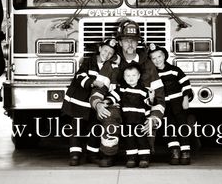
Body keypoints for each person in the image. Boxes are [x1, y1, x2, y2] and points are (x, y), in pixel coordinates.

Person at [91, 20, 165, 166]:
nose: (130, 44)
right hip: (117, 107)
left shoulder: (148, 65)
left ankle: (144, 155)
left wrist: (154, 118)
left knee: (148, 123)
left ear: (138, 43)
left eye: (134, 40)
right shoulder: (111, 64)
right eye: (126, 40)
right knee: (109, 114)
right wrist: (98, 104)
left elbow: (159, 97)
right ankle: (109, 154)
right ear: (120, 42)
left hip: (140, 110)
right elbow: (99, 89)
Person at [61, 37, 117, 165]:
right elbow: (79, 76)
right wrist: (92, 83)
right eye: (105, 50)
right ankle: (75, 155)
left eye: (110, 53)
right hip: (79, 101)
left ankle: (92, 155)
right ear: (99, 49)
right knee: (77, 128)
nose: (106, 54)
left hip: (94, 103)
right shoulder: (88, 61)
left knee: (95, 128)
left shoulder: (110, 67)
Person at [147, 43, 194, 165]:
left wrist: (186, 98)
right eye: (154, 58)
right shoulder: (153, 75)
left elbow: (185, 84)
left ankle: (185, 152)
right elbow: (153, 91)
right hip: (165, 107)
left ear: (164, 56)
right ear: (151, 60)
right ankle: (174, 151)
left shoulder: (174, 70)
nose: (157, 60)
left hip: (178, 104)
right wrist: (152, 100)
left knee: (182, 127)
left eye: (159, 57)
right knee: (169, 128)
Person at [115, 63, 153, 168]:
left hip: (140, 119)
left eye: (133, 75)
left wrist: (152, 99)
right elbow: (113, 96)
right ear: (124, 77)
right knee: (129, 139)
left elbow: (148, 104)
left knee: (142, 139)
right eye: (128, 76)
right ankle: (131, 158)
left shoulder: (143, 90)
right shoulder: (122, 89)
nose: (131, 78)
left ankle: (144, 158)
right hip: (127, 120)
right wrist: (107, 101)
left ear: (139, 76)